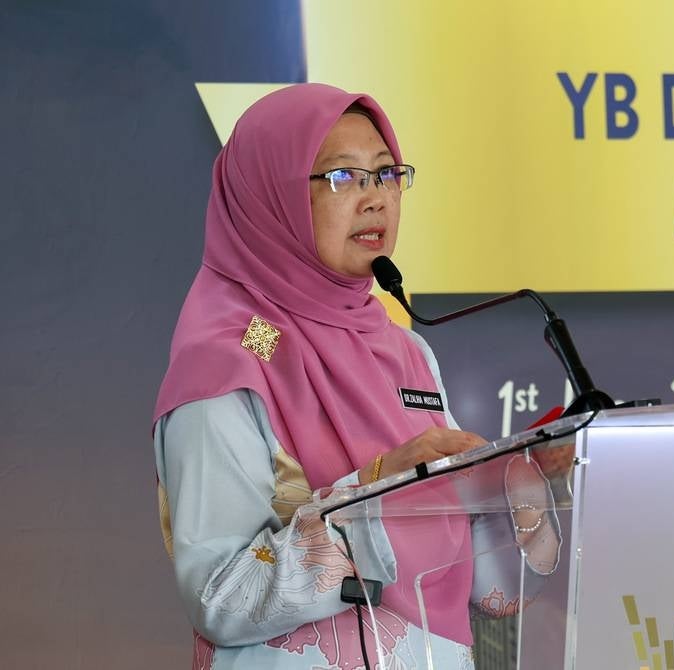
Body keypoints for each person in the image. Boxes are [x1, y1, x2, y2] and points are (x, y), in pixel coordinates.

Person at [152, 83, 559, 669]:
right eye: (344, 177)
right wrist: (374, 500)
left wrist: (519, 486)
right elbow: (222, 594)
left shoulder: (408, 354)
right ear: (271, 197)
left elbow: (482, 589)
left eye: (388, 174)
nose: (376, 200)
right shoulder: (232, 360)